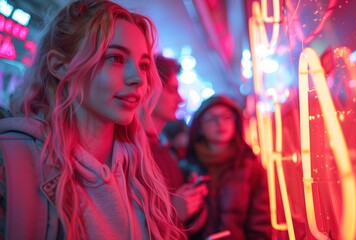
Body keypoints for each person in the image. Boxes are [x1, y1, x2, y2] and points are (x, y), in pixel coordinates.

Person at [0, 1, 186, 239]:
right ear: (59, 66)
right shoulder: (12, 162)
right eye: (116, 58)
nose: (138, 78)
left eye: (143, 65)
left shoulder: (143, 174)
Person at [181, 95, 272, 240]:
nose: (220, 123)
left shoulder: (251, 169)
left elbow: (261, 225)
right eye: (211, 118)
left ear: (236, 122)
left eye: (226, 117)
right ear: (199, 127)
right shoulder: (186, 167)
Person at [147, 54, 208, 234]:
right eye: (172, 90)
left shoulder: (164, 151)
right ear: (150, 89)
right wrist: (174, 213)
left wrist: (192, 199)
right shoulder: (133, 155)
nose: (180, 99)